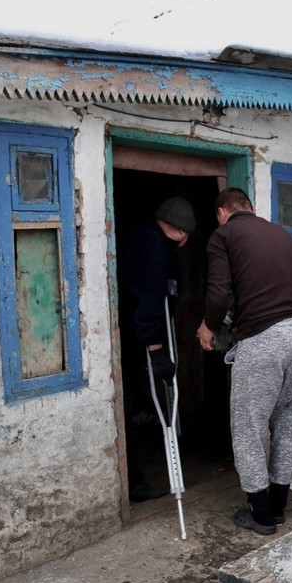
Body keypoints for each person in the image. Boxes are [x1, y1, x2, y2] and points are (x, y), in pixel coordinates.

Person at [196, 188, 292, 535]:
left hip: (265, 337)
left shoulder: (224, 234)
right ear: (252, 208)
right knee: (289, 420)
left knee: (247, 426)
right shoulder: (279, 232)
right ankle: (278, 506)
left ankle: (261, 515)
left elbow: (218, 293)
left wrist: (208, 327)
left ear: (221, 212)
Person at [118, 196, 196, 502]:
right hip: (138, 334)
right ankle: (133, 482)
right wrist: (156, 348)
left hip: (134, 331)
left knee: (130, 398)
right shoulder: (152, 247)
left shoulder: (146, 236)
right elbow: (150, 297)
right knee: (125, 401)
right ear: (181, 232)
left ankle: (134, 479)